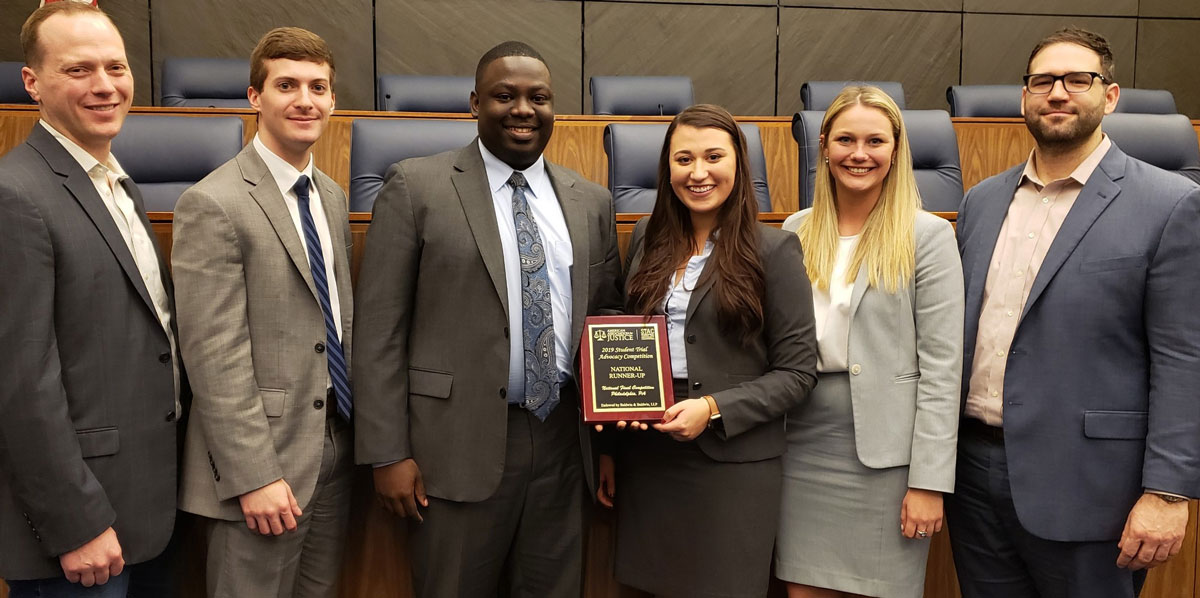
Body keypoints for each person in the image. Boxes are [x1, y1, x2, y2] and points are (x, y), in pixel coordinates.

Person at [352, 41, 622, 597]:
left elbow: (605, 325)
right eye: (505, 95)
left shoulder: (590, 201)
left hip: (561, 444)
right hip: (450, 449)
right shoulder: (416, 186)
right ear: (475, 102)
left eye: (538, 97)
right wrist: (386, 452)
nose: (522, 109)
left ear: (554, 108)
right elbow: (379, 331)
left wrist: (608, 445)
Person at [947, 27, 1200, 598]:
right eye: (1042, 81)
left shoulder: (1171, 205)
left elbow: (1185, 359)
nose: (1057, 93)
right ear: (1024, 98)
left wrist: (1168, 492)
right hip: (974, 476)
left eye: (1077, 79)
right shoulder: (982, 201)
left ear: (1109, 96)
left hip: (1091, 489)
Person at [596, 103, 817, 598]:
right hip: (650, 461)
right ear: (666, 169)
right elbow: (623, 348)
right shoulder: (644, 242)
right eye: (683, 159)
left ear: (738, 163)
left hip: (732, 469)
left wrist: (713, 408)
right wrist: (609, 448)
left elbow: (798, 374)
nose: (698, 173)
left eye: (713, 157)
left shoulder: (775, 251)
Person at [0, 2, 182, 596]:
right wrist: (76, 522)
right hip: (80, 533)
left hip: (147, 509)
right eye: (79, 70)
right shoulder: (15, 195)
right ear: (33, 82)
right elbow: (21, 381)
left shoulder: (115, 182)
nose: (106, 86)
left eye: (117, 67)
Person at [171, 27, 354, 598]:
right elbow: (212, 356)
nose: (305, 99)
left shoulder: (330, 195)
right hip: (262, 466)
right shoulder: (213, 202)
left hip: (332, 449)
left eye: (318, 86)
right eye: (287, 84)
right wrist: (254, 476)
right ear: (255, 97)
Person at [774, 87, 963, 598]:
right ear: (824, 147)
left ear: (896, 150)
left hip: (888, 457)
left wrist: (929, 481)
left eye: (875, 140)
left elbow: (944, 368)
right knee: (803, 592)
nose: (859, 154)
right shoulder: (795, 230)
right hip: (802, 445)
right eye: (846, 139)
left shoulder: (928, 236)